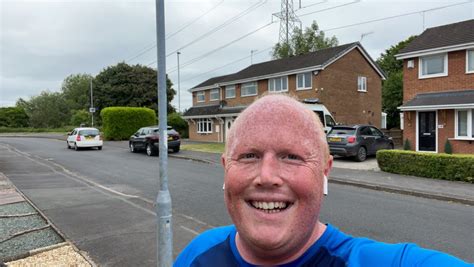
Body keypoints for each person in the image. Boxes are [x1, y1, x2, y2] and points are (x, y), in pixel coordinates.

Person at [174, 94, 470, 266]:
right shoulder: (197, 254)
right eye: (249, 156)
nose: (266, 176)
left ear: (325, 170)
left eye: (291, 157)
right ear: (226, 168)